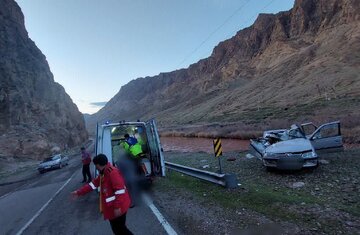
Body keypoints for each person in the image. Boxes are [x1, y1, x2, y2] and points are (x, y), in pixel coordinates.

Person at [71, 154, 133, 235]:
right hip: (112, 208)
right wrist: (78, 192)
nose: (95, 167)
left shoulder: (112, 173)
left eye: (95, 165)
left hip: (118, 207)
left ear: (98, 164)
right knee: (118, 230)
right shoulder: (104, 172)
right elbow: (93, 184)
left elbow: (120, 191)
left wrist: (117, 207)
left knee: (120, 230)